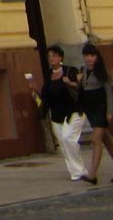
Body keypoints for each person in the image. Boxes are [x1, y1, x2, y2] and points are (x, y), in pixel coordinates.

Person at [41, 45, 89, 182]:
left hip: (73, 111)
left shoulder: (70, 70)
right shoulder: (48, 75)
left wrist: (70, 82)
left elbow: (81, 87)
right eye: (49, 56)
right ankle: (76, 171)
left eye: (54, 56)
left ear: (61, 57)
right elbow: (45, 95)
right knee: (64, 144)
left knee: (68, 138)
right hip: (57, 114)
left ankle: (79, 171)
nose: (52, 58)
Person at [83, 42, 113, 184]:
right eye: (87, 55)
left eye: (92, 55)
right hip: (90, 110)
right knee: (106, 141)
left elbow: (109, 93)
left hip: (101, 109)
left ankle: (92, 174)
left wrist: (110, 111)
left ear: (97, 57)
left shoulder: (102, 72)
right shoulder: (82, 71)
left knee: (96, 140)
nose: (89, 58)